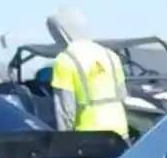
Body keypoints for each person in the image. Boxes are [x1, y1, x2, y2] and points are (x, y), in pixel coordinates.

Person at [45, 7, 129, 137]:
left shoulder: (65, 60)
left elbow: (65, 109)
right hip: (120, 128)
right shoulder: (110, 55)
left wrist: (64, 141)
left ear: (60, 32)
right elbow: (123, 95)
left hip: (88, 133)